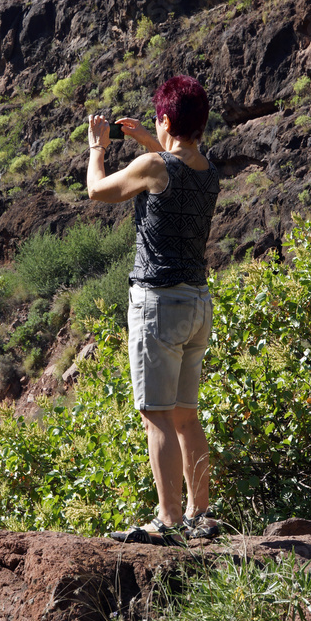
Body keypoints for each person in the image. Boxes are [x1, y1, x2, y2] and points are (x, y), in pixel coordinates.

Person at [86, 75, 220, 544]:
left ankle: (168, 521)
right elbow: (172, 162)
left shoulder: (152, 167)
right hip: (197, 303)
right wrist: (148, 139)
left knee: (156, 414)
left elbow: (98, 191)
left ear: (165, 120)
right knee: (186, 414)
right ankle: (202, 516)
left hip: (158, 303)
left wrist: (98, 148)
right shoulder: (210, 170)